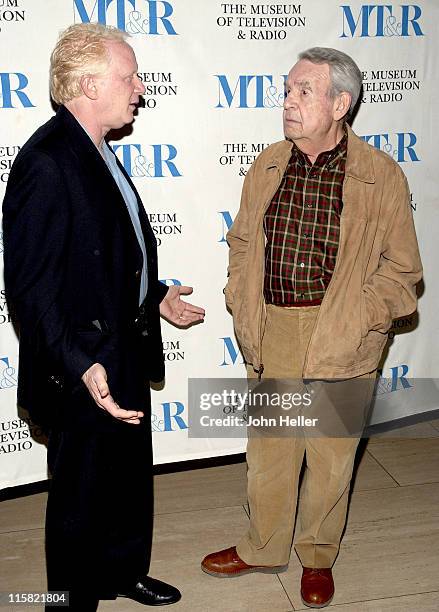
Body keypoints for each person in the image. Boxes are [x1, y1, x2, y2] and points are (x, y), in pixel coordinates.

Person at [201, 47, 422, 608]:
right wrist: (240, 297)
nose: (289, 102)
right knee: (270, 450)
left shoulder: (380, 176)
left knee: (329, 457)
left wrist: (356, 318)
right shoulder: (268, 164)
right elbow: (244, 242)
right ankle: (263, 547)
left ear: (340, 103)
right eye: (287, 91)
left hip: (342, 334)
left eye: (304, 91)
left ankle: (317, 556)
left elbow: (403, 272)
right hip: (276, 328)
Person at [2, 23, 204, 611]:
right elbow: (32, 290)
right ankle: (69, 602)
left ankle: (121, 572)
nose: (142, 89)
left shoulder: (96, 150)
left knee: (125, 479)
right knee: (79, 498)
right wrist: (80, 362)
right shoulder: (46, 162)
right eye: (130, 77)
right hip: (81, 367)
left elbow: (105, 255)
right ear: (89, 84)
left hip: (122, 351)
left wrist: (155, 293)